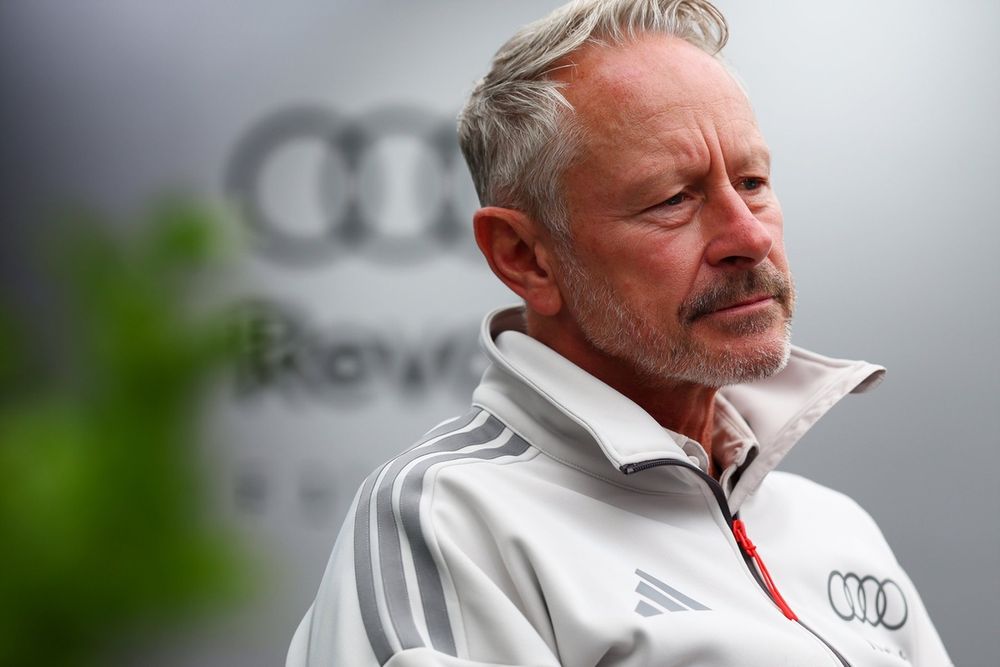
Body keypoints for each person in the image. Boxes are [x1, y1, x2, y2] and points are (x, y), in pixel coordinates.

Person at [288, 1, 953, 665]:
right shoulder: (450, 520)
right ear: (525, 255)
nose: (749, 236)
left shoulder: (836, 528)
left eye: (751, 181)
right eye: (673, 198)